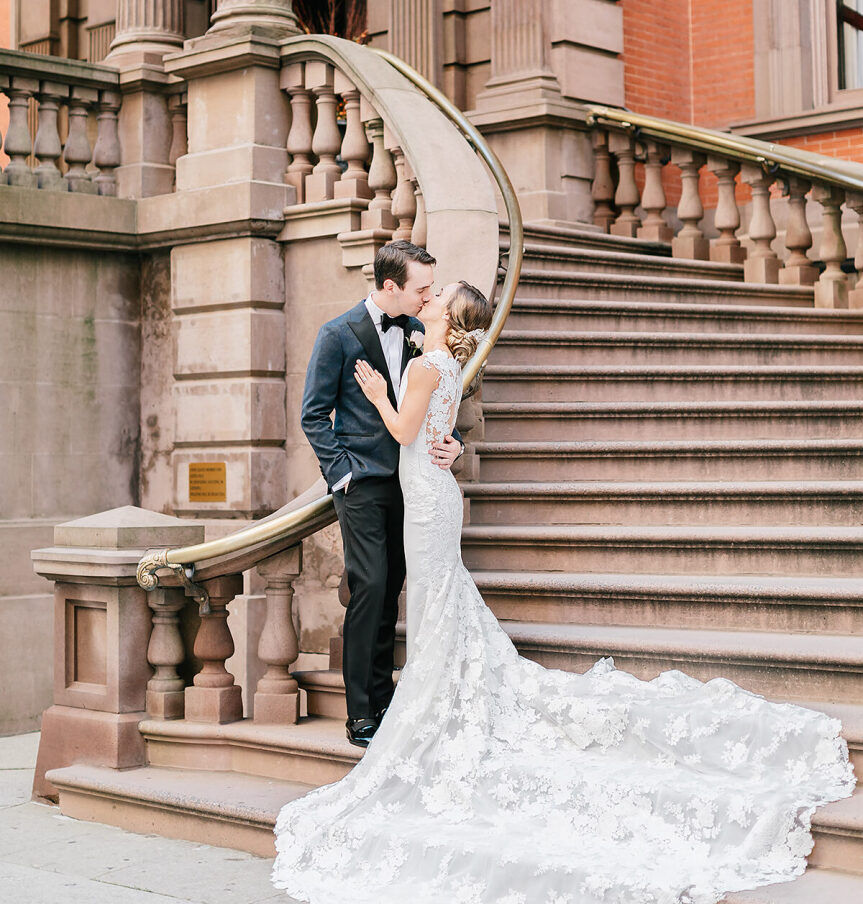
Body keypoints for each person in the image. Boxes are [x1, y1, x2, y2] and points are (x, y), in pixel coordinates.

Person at [275, 279, 855, 904]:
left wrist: (376, 395)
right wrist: (443, 437)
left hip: (426, 502)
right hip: (434, 497)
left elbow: (403, 428)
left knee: (438, 601)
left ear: (446, 316)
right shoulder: (444, 360)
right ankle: (434, 689)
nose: (429, 299)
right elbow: (434, 425)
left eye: (437, 297)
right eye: (428, 291)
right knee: (443, 601)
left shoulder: (424, 362)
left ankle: (433, 697)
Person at [300, 240, 463, 749]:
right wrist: (341, 473)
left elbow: (437, 405)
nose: (427, 296)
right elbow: (313, 414)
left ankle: (387, 696)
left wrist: (453, 442)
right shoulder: (337, 334)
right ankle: (361, 712)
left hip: (414, 482)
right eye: (421, 289)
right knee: (369, 585)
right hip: (364, 483)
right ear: (390, 286)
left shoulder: (420, 332)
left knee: (391, 585)